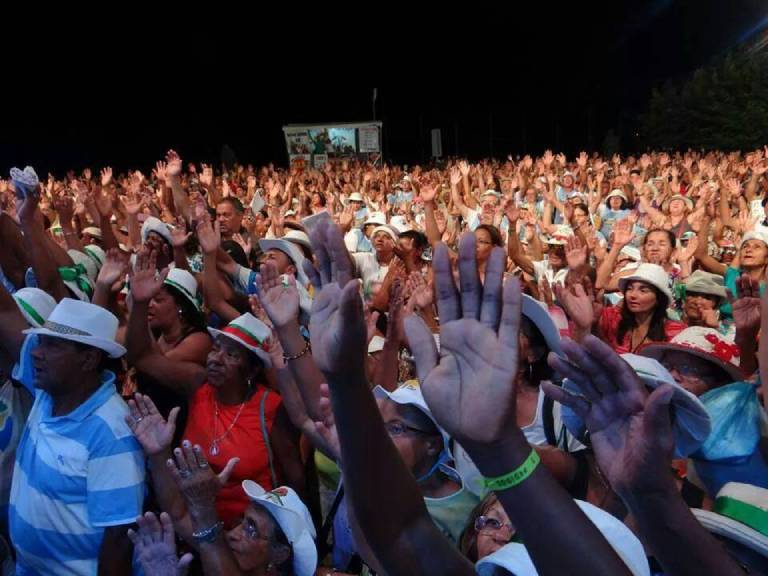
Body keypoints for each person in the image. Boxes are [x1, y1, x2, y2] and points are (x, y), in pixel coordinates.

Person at [10, 299, 145, 576]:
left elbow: (118, 538)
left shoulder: (111, 433)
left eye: (53, 346)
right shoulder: (47, 394)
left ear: (88, 359)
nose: (37, 354)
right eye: (40, 342)